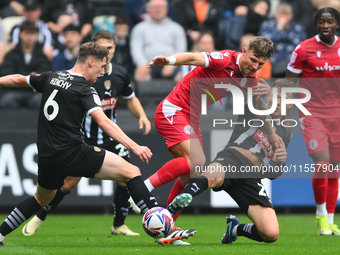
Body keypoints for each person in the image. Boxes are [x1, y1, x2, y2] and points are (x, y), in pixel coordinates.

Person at [0, 41, 196, 246]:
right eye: (102, 67)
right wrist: (134, 146)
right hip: (74, 152)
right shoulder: (86, 89)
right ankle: (163, 228)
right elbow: (104, 122)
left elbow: (16, 80)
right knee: (132, 172)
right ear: (90, 61)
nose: (103, 72)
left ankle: (1, 233)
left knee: (41, 199)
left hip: (48, 157)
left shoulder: (51, 76)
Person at [132, 37, 285, 233]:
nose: (255, 66)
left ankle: (168, 225)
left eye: (260, 64)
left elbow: (259, 104)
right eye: (253, 59)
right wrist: (169, 60)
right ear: (245, 50)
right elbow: (192, 58)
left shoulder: (249, 79)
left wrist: (271, 133)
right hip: (174, 108)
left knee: (191, 174)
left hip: (191, 117)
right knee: (197, 161)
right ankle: (142, 189)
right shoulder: (224, 59)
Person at [22, 29, 151, 237]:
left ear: (114, 49)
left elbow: (130, 97)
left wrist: (142, 116)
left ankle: (119, 224)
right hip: (84, 138)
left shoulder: (119, 73)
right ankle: (40, 215)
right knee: (67, 185)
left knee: (127, 174)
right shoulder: (85, 77)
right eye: (101, 49)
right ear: (92, 56)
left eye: (109, 49)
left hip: (110, 138)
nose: (105, 53)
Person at [167, 79, 294, 244]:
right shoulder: (256, 106)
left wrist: (278, 161)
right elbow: (252, 96)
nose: (278, 102)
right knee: (212, 176)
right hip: (232, 159)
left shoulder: (285, 133)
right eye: (275, 96)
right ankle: (183, 200)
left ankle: (235, 229)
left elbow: (271, 174)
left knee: (271, 233)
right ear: (269, 94)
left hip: (251, 177)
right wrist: (260, 90)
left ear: (291, 104)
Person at [286, 7, 340, 236]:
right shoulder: (303, 49)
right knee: (322, 164)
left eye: (329, 21)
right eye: (321, 22)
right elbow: (289, 83)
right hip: (312, 114)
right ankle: (320, 217)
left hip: (337, 115)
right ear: (316, 24)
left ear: (336, 24)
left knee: (335, 168)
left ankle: (330, 219)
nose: (325, 25)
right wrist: (284, 114)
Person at [130, 0, 186, 84]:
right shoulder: (139, 28)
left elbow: (181, 50)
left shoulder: (177, 28)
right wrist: (141, 64)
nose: (158, 10)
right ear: (149, 10)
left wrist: (172, 65)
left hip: (171, 65)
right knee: (138, 76)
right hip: (147, 66)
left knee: (183, 77)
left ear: (167, 10)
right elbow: (136, 49)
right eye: (155, 7)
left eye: (161, 7)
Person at [0, 20, 50, 109]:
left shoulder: (42, 56)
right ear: (20, 34)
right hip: (13, 92)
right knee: (7, 100)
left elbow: (45, 76)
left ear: (36, 35)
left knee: (40, 100)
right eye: (26, 33)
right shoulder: (11, 55)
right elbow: (6, 73)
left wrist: (21, 76)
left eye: (32, 33)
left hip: (34, 93)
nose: (29, 37)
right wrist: (31, 76)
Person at [259, 2, 306, 78]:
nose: (283, 17)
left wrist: (286, 32)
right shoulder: (267, 25)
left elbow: (301, 45)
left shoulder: (297, 27)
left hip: (291, 63)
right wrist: (279, 28)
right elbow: (264, 43)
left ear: (291, 16)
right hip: (272, 62)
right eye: (281, 14)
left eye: (286, 15)